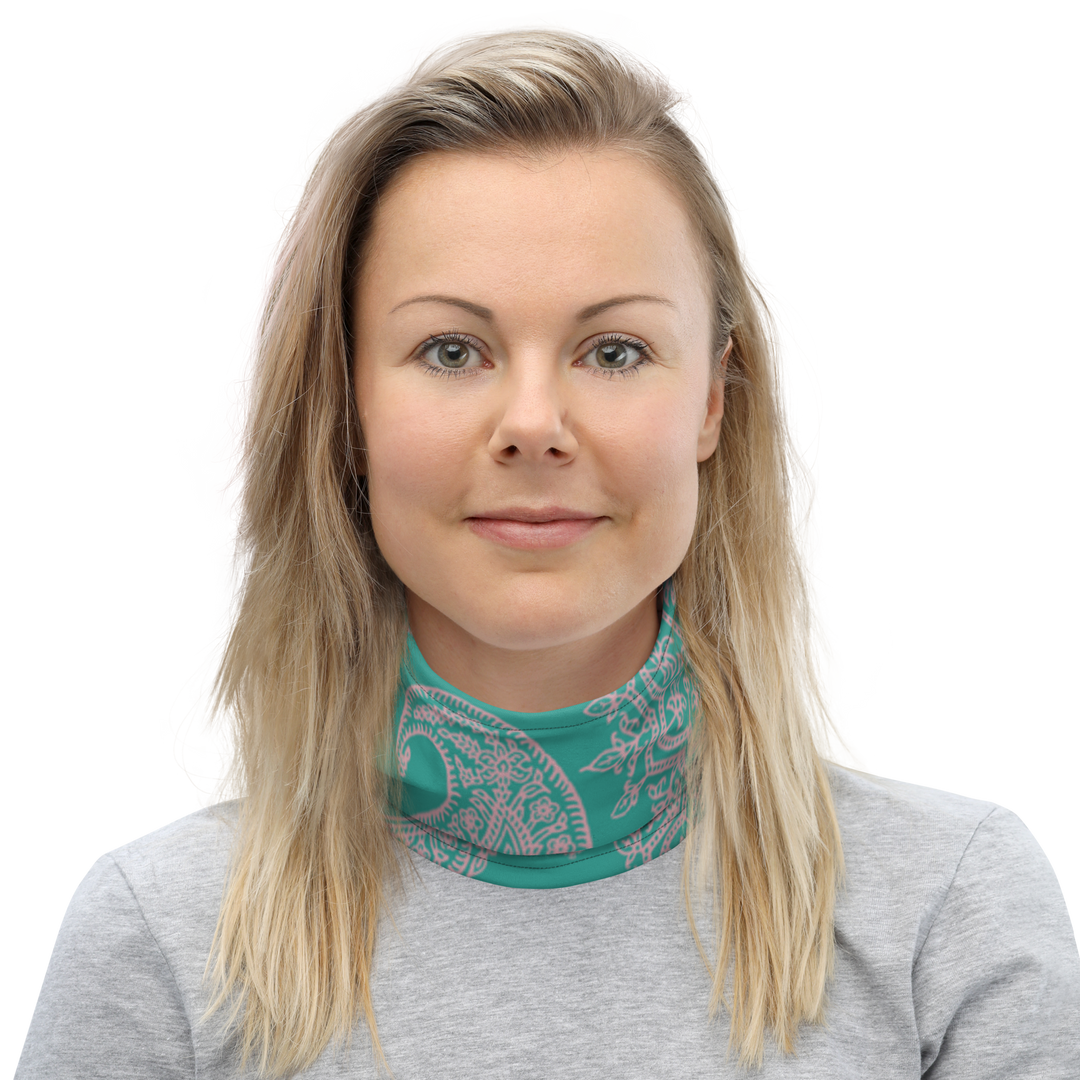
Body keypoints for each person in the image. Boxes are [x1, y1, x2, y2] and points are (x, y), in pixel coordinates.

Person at [15, 10, 1078, 1079]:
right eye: (450, 349)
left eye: (613, 350)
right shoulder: (157, 939)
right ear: (348, 402)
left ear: (712, 400)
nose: (533, 424)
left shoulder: (951, 916)